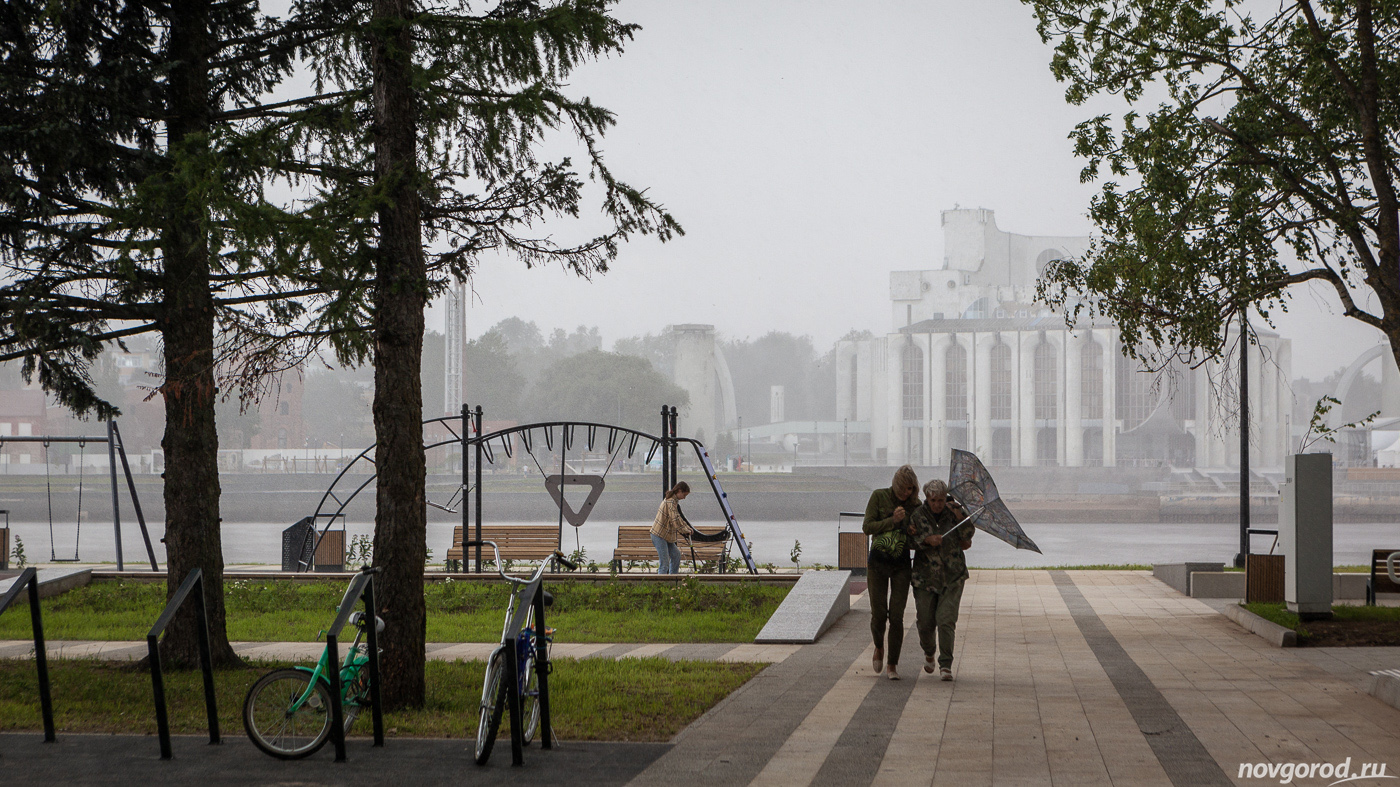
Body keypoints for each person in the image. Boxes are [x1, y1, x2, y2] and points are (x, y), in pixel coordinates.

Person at [907, 478, 973, 681]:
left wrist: (959, 514)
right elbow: (909, 540)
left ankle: (946, 664)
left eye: (941, 500)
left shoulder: (954, 513)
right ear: (927, 498)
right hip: (925, 579)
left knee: (946, 620)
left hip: (952, 576)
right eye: (934, 500)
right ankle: (929, 652)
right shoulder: (917, 516)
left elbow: (968, 534)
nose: (938, 504)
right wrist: (926, 540)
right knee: (925, 622)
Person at [863, 465, 920, 680]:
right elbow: (867, 527)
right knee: (879, 614)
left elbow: (919, 538)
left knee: (896, 616)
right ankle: (878, 645)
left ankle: (892, 664)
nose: (908, 493)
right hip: (877, 563)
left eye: (911, 489)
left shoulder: (915, 506)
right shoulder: (879, 497)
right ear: (896, 485)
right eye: (905, 488)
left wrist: (912, 530)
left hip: (901, 565)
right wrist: (892, 521)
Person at [651, 481, 690, 574]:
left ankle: (673, 579)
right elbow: (674, 520)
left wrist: (687, 527)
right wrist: (684, 530)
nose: (684, 498)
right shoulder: (670, 502)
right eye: (684, 495)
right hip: (659, 535)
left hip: (666, 536)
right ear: (679, 491)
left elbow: (678, 517)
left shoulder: (674, 501)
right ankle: (662, 585)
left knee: (676, 555)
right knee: (664, 564)